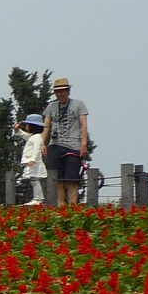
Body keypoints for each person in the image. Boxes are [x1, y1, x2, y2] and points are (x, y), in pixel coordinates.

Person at [41, 77, 91, 206]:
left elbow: (83, 125)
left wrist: (84, 144)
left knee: (72, 180)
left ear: (68, 91)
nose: (60, 94)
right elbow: (46, 126)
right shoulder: (51, 107)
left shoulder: (78, 104)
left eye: (62, 91)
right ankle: (61, 206)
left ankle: (73, 206)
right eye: (57, 92)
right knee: (58, 179)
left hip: (73, 145)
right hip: (55, 145)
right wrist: (42, 143)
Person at [18, 113, 49, 205]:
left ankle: (38, 198)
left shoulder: (37, 138)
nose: (26, 127)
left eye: (27, 125)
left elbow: (36, 149)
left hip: (34, 163)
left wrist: (33, 159)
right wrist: (17, 129)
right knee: (34, 180)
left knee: (35, 180)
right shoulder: (33, 137)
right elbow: (23, 135)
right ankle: (37, 198)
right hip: (32, 162)